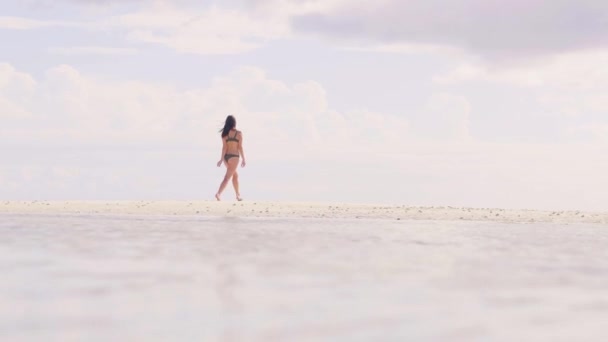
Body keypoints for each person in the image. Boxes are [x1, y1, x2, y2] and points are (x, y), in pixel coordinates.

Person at [215, 115, 246, 201]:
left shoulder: (224, 134)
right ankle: (218, 193)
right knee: (227, 177)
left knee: (235, 175)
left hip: (226, 158)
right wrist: (243, 158)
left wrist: (221, 159)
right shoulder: (239, 134)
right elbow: (240, 147)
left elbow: (224, 147)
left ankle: (237, 195)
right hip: (234, 157)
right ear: (234, 123)